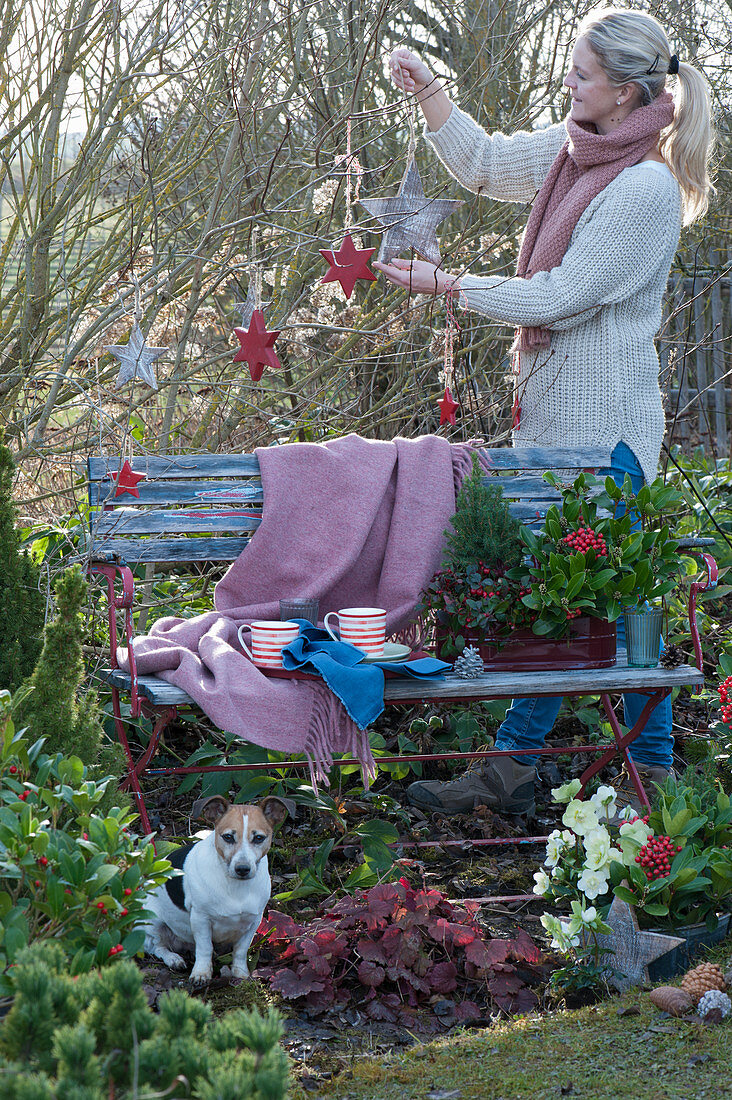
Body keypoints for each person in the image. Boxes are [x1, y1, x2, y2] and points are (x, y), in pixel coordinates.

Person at [373, 7, 715, 816]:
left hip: (608, 442)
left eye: (581, 74)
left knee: (626, 614)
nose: (567, 84)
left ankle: (652, 787)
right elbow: (485, 164)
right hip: (551, 429)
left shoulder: (644, 188)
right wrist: (428, 95)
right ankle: (516, 768)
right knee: (555, 600)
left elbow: (561, 298)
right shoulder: (575, 151)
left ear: (628, 92)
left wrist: (451, 284)